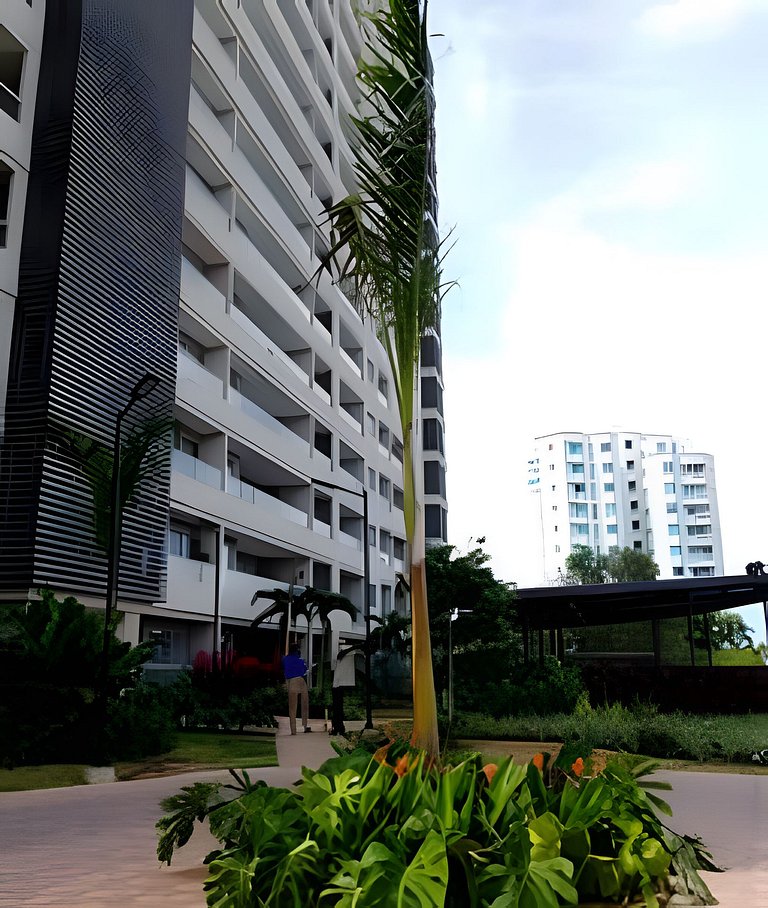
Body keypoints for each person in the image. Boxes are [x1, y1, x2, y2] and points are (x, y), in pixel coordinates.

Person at [281, 643, 311, 735]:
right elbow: (305, 670)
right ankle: (305, 726)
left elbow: (284, 669)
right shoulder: (301, 660)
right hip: (301, 680)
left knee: (292, 707)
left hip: (291, 681)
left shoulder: (285, 659)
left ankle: (293, 730)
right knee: (304, 706)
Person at [331, 643, 360, 735]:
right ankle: (338, 727)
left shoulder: (342, 656)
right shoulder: (340, 655)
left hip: (338, 683)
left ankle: (338, 727)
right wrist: (354, 647)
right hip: (337, 683)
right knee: (337, 706)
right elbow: (340, 655)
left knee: (337, 706)